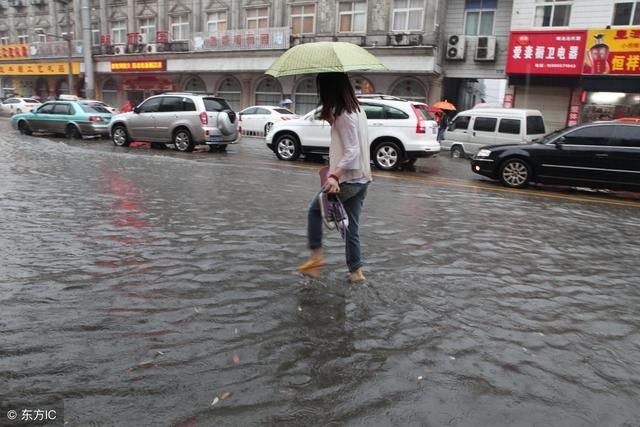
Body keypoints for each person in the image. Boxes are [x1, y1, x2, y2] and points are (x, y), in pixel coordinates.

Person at [297, 72, 372, 282]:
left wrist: (335, 177)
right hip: (362, 178)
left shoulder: (344, 114)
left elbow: (352, 151)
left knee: (313, 211)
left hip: (347, 179)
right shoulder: (356, 111)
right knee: (351, 228)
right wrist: (332, 122)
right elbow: (351, 143)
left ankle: (316, 259)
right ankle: (356, 271)